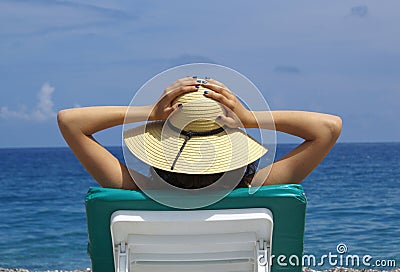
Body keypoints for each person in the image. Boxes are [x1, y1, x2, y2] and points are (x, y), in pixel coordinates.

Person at [57, 77, 342, 190]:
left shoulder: (140, 190)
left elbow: (70, 122)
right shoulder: (254, 189)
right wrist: (248, 118)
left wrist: (149, 112)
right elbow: (328, 128)